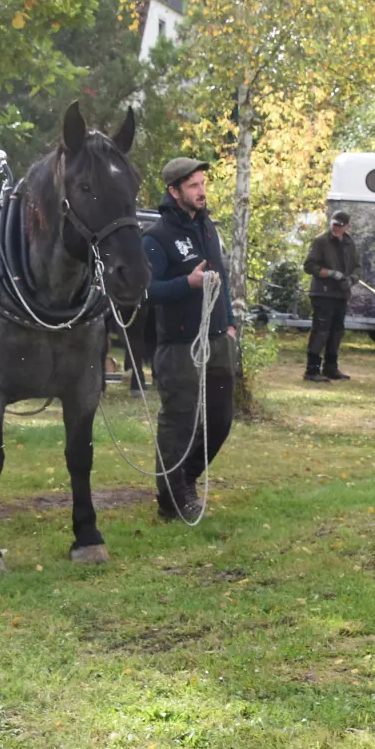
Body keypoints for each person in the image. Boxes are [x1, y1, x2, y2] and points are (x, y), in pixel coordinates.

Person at [142, 157, 238, 521]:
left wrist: (229, 324)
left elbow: (222, 278)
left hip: (217, 340)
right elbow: (144, 293)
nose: (202, 191)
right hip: (179, 346)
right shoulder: (156, 238)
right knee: (178, 424)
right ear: (174, 191)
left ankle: (188, 478)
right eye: (193, 185)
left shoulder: (208, 227)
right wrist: (187, 284)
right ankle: (170, 500)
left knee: (220, 419)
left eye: (202, 183)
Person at [302, 210, 360, 382]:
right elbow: (309, 266)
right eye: (334, 224)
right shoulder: (321, 241)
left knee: (336, 332)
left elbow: (358, 267)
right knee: (321, 331)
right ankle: (311, 370)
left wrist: (351, 279)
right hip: (322, 293)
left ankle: (330, 367)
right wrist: (330, 273)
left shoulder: (350, 243)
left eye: (340, 225)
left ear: (347, 226)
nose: (336, 228)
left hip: (341, 294)